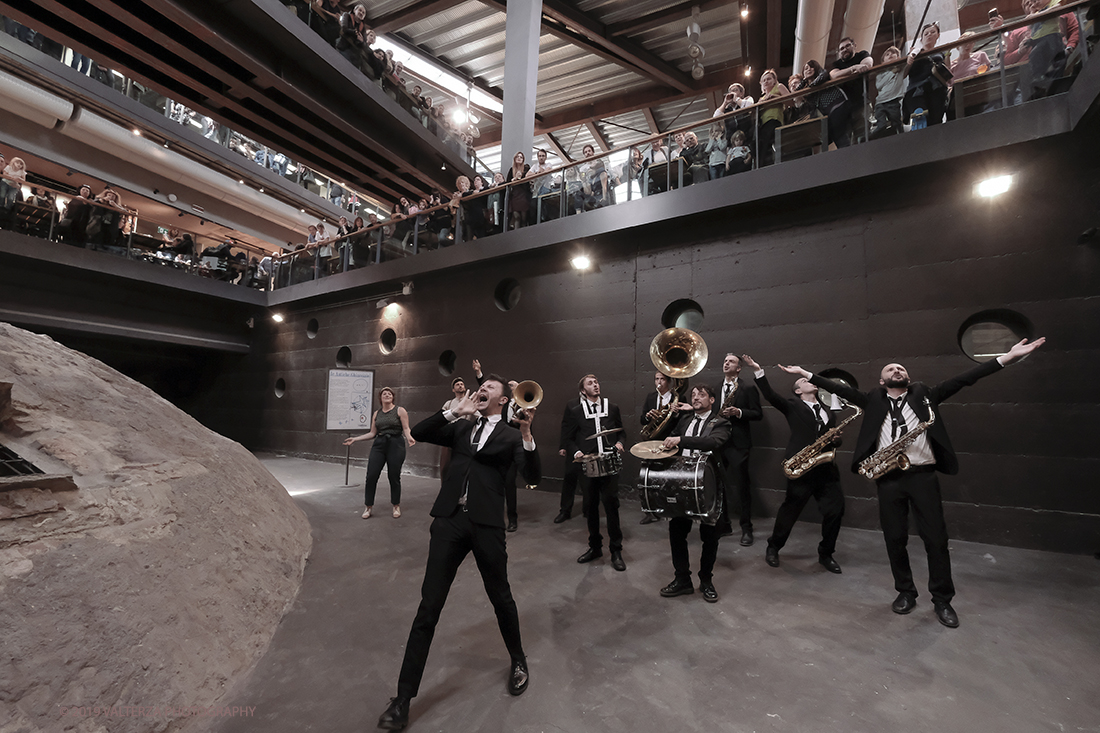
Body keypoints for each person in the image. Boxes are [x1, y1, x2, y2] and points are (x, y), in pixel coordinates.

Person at [785, 336, 1046, 628]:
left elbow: (965, 379)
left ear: (908, 377)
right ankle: (905, 592)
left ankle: (942, 600)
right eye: (890, 369)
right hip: (888, 477)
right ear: (881, 381)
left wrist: (1007, 358)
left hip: (922, 476)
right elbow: (836, 386)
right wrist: (806, 374)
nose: (897, 370)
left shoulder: (924, 394)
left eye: (901, 368)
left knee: (936, 539)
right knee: (894, 538)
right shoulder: (871, 399)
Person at [376, 376, 541, 731]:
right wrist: (452, 413)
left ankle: (518, 660)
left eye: (491, 389)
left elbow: (533, 475)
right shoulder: (462, 427)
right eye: (482, 389)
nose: (483, 391)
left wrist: (527, 436)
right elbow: (419, 431)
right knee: (428, 608)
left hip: (486, 526)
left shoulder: (512, 435)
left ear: (502, 400)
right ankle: (402, 699)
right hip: (449, 522)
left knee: (501, 597)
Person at [741, 355, 846, 574]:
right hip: (802, 467)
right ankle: (774, 547)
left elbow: (833, 437)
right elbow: (770, 395)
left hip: (826, 469)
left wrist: (836, 439)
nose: (810, 382)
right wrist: (758, 370)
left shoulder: (828, 410)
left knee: (835, 511)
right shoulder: (792, 405)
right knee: (790, 511)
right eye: (804, 382)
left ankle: (826, 554)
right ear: (798, 391)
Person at [657, 384, 731, 603]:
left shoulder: (721, 423)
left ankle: (706, 580)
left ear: (712, 400)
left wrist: (682, 440)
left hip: (708, 484)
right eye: (694, 395)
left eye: (702, 395)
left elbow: (712, 442)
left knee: (710, 536)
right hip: (681, 482)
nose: (696, 397)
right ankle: (682, 580)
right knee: (676, 531)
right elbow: (670, 439)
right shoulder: (685, 420)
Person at [562, 374, 626, 570]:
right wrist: (577, 451)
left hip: (608, 463)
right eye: (590, 383)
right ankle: (595, 547)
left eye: (597, 382)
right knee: (590, 507)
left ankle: (616, 550)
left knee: (611, 506)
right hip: (588, 464)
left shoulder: (612, 408)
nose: (595, 385)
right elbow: (568, 438)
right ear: (583, 391)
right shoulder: (575, 411)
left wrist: (620, 443)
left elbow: (621, 431)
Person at [343, 387, 416, 520]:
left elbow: (406, 428)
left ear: (393, 397)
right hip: (379, 444)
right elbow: (372, 433)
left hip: (396, 444)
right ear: (380, 397)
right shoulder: (377, 413)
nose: (387, 395)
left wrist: (410, 437)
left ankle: (396, 505)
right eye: (384, 393)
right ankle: (368, 506)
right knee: (371, 475)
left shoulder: (400, 410)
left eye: (389, 393)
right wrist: (355, 439)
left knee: (394, 476)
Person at [716, 353, 762, 544]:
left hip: (739, 443)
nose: (726, 363)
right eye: (725, 361)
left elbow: (758, 414)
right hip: (718, 441)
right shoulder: (716, 388)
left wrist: (739, 412)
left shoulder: (748, 387)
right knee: (718, 485)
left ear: (739, 368)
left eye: (731, 361)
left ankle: (746, 529)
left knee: (742, 486)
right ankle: (723, 524)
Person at [638, 371, 686, 524]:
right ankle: (650, 511)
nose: (659, 382)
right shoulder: (651, 397)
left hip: (669, 442)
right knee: (649, 477)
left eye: (662, 379)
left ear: (669, 382)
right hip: (652, 442)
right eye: (656, 379)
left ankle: (669, 508)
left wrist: (676, 414)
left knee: (669, 477)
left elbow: (682, 423)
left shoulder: (677, 398)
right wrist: (648, 416)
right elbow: (642, 419)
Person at [829, 37, 874, 146]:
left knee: (864, 135)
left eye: (847, 46)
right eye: (841, 48)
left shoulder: (862, 55)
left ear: (854, 45)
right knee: (847, 140)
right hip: (844, 109)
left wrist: (845, 73)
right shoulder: (837, 64)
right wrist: (854, 68)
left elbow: (867, 65)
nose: (844, 49)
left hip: (861, 102)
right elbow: (833, 76)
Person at [903, 23, 949, 129]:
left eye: (933, 32)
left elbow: (947, 70)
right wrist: (909, 61)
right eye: (926, 33)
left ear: (938, 35)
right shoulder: (914, 53)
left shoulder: (941, 52)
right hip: (917, 89)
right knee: (920, 112)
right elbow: (904, 74)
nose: (929, 35)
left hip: (936, 89)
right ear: (921, 38)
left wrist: (947, 54)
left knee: (935, 119)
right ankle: (919, 126)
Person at [870, 46, 911, 139]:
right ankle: (870, 139)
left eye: (893, 54)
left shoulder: (900, 71)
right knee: (881, 125)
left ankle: (901, 140)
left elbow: (908, 65)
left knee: (897, 124)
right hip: (880, 102)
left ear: (898, 57)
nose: (890, 55)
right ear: (883, 61)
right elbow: (879, 85)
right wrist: (892, 72)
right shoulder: (880, 74)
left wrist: (910, 54)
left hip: (894, 101)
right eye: (887, 54)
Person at [757, 69, 791, 166]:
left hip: (775, 121)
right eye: (764, 80)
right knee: (763, 148)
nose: (766, 81)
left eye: (768, 79)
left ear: (774, 80)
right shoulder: (761, 98)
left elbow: (790, 101)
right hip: (764, 125)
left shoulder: (778, 87)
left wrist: (774, 98)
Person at [505, 151, 531, 230]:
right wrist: (513, 180)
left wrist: (518, 178)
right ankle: (516, 233)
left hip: (523, 194)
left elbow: (527, 179)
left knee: (523, 217)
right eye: (517, 157)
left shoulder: (526, 168)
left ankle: (523, 232)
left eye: (521, 157)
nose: (519, 158)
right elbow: (507, 182)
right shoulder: (511, 169)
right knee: (516, 216)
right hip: (515, 195)